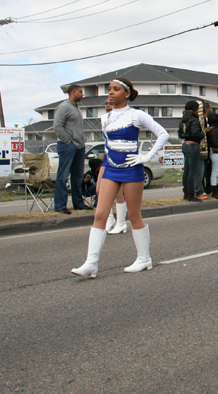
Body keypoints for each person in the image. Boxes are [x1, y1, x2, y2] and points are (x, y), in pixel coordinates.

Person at [72, 78, 168, 278]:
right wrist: (103, 168)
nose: (111, 93)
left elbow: (163, 134)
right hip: (111, 167)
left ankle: (144, 258)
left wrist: (146, 157)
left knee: (134, 215)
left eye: (115, 89)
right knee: (100, 214)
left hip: (132, 169)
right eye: (109, 90)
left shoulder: (136, 115)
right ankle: (91, 263)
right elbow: (108, 145)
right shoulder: (105, 118)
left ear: (126, 93)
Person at [53, 84, 87, 214]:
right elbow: (57, 126)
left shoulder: (77, 108)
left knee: (78, 177)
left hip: (79, 146)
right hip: (67, 146)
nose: (82, 94)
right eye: (80, 92)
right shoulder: (63, 107)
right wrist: (69, 141)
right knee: (63, 176)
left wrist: (81, 142)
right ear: (73, 92)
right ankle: (60, 206)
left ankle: (78, 204)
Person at [96, 98, 128, 234]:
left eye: (110, 103)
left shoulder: (125, 117)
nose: (108, 106)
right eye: (107, 104)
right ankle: (110, 219)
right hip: (107, 156)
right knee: (99, 189)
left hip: (120, 156)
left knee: (118, 192)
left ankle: (121, 223)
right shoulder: (104, 119)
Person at [179, 100, 205, 202]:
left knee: (187, 170)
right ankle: (191, 194)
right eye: (197, 108)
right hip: (193, 146)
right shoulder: (194, 120)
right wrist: (202, 134)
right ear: (194, 109)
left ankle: (186, 193)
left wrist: (187, 135)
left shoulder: (183, 120)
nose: (198, 110)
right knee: (192, 171)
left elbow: (180, 134)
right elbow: (196, 133)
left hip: (185, 144)